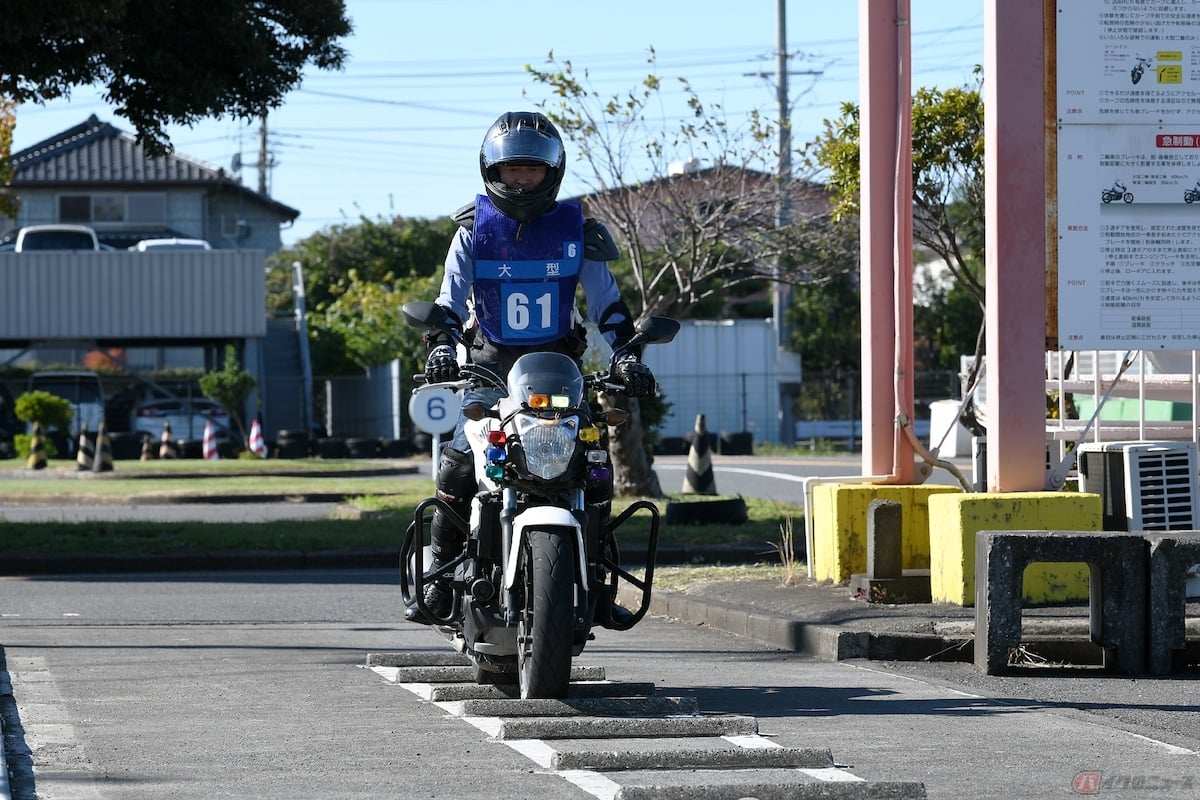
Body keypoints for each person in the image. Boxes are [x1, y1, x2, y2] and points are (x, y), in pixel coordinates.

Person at [405, 110, 656, 624]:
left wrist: (627, 354)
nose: (520, 180)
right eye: (510, 169)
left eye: (532, 169)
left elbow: (609, 307)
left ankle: (597, 580)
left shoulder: (579, 232)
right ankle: (440, 576)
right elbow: (448, 302)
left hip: (559, 372)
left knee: (594, 468)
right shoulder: (472, 231)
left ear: (552, 172)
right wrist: (440, 348)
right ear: (491, 172)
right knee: (458, 463)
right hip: (489, 370)